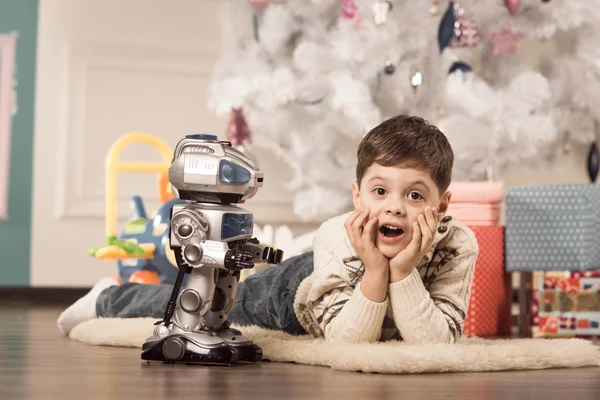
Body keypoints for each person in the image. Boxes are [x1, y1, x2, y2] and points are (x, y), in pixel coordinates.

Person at [57, 114, 479, 344]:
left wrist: (402, 272)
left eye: (416, 196)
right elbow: (349, 343)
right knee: (206, 307)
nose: (395, 208)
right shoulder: (338, 234)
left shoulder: (457, 244)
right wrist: (374, 272)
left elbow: (436, 344)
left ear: (443, 205)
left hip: (342, 276)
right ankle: (110, 298)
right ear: (357, 195)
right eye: (380, 190)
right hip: (294, 293)